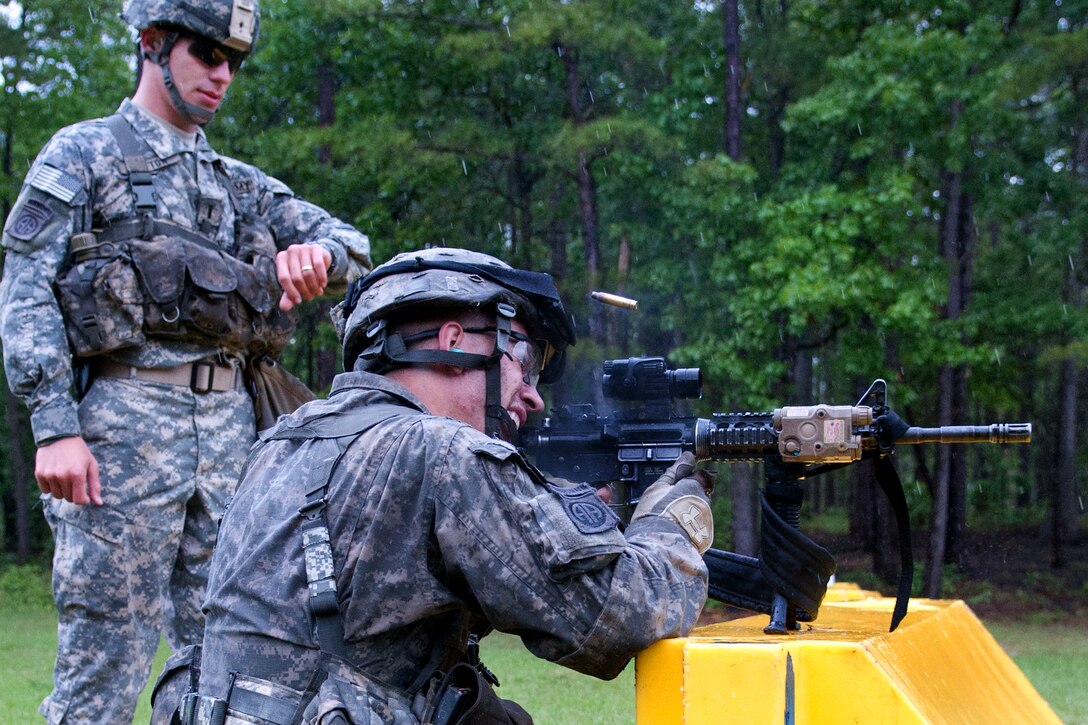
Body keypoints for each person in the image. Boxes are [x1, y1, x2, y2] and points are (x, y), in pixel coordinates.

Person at [0, 0, 372, 721]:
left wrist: (317, 254)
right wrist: (54, 425)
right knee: (101, 669)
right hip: (119, 437)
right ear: (152, 43)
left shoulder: (236, 184)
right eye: (206, 52)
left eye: (234, 61)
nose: (222, 74)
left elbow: (350, 245)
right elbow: (24, 291)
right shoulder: (83, 155)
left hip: (234, 443)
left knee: (238, 661)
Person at [155, 247, 716, 724]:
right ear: (454, 340)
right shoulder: (440, 453)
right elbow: (623, 615)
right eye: (525, 358)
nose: (534, 394)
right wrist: (670, 519)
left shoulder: (279, 445)